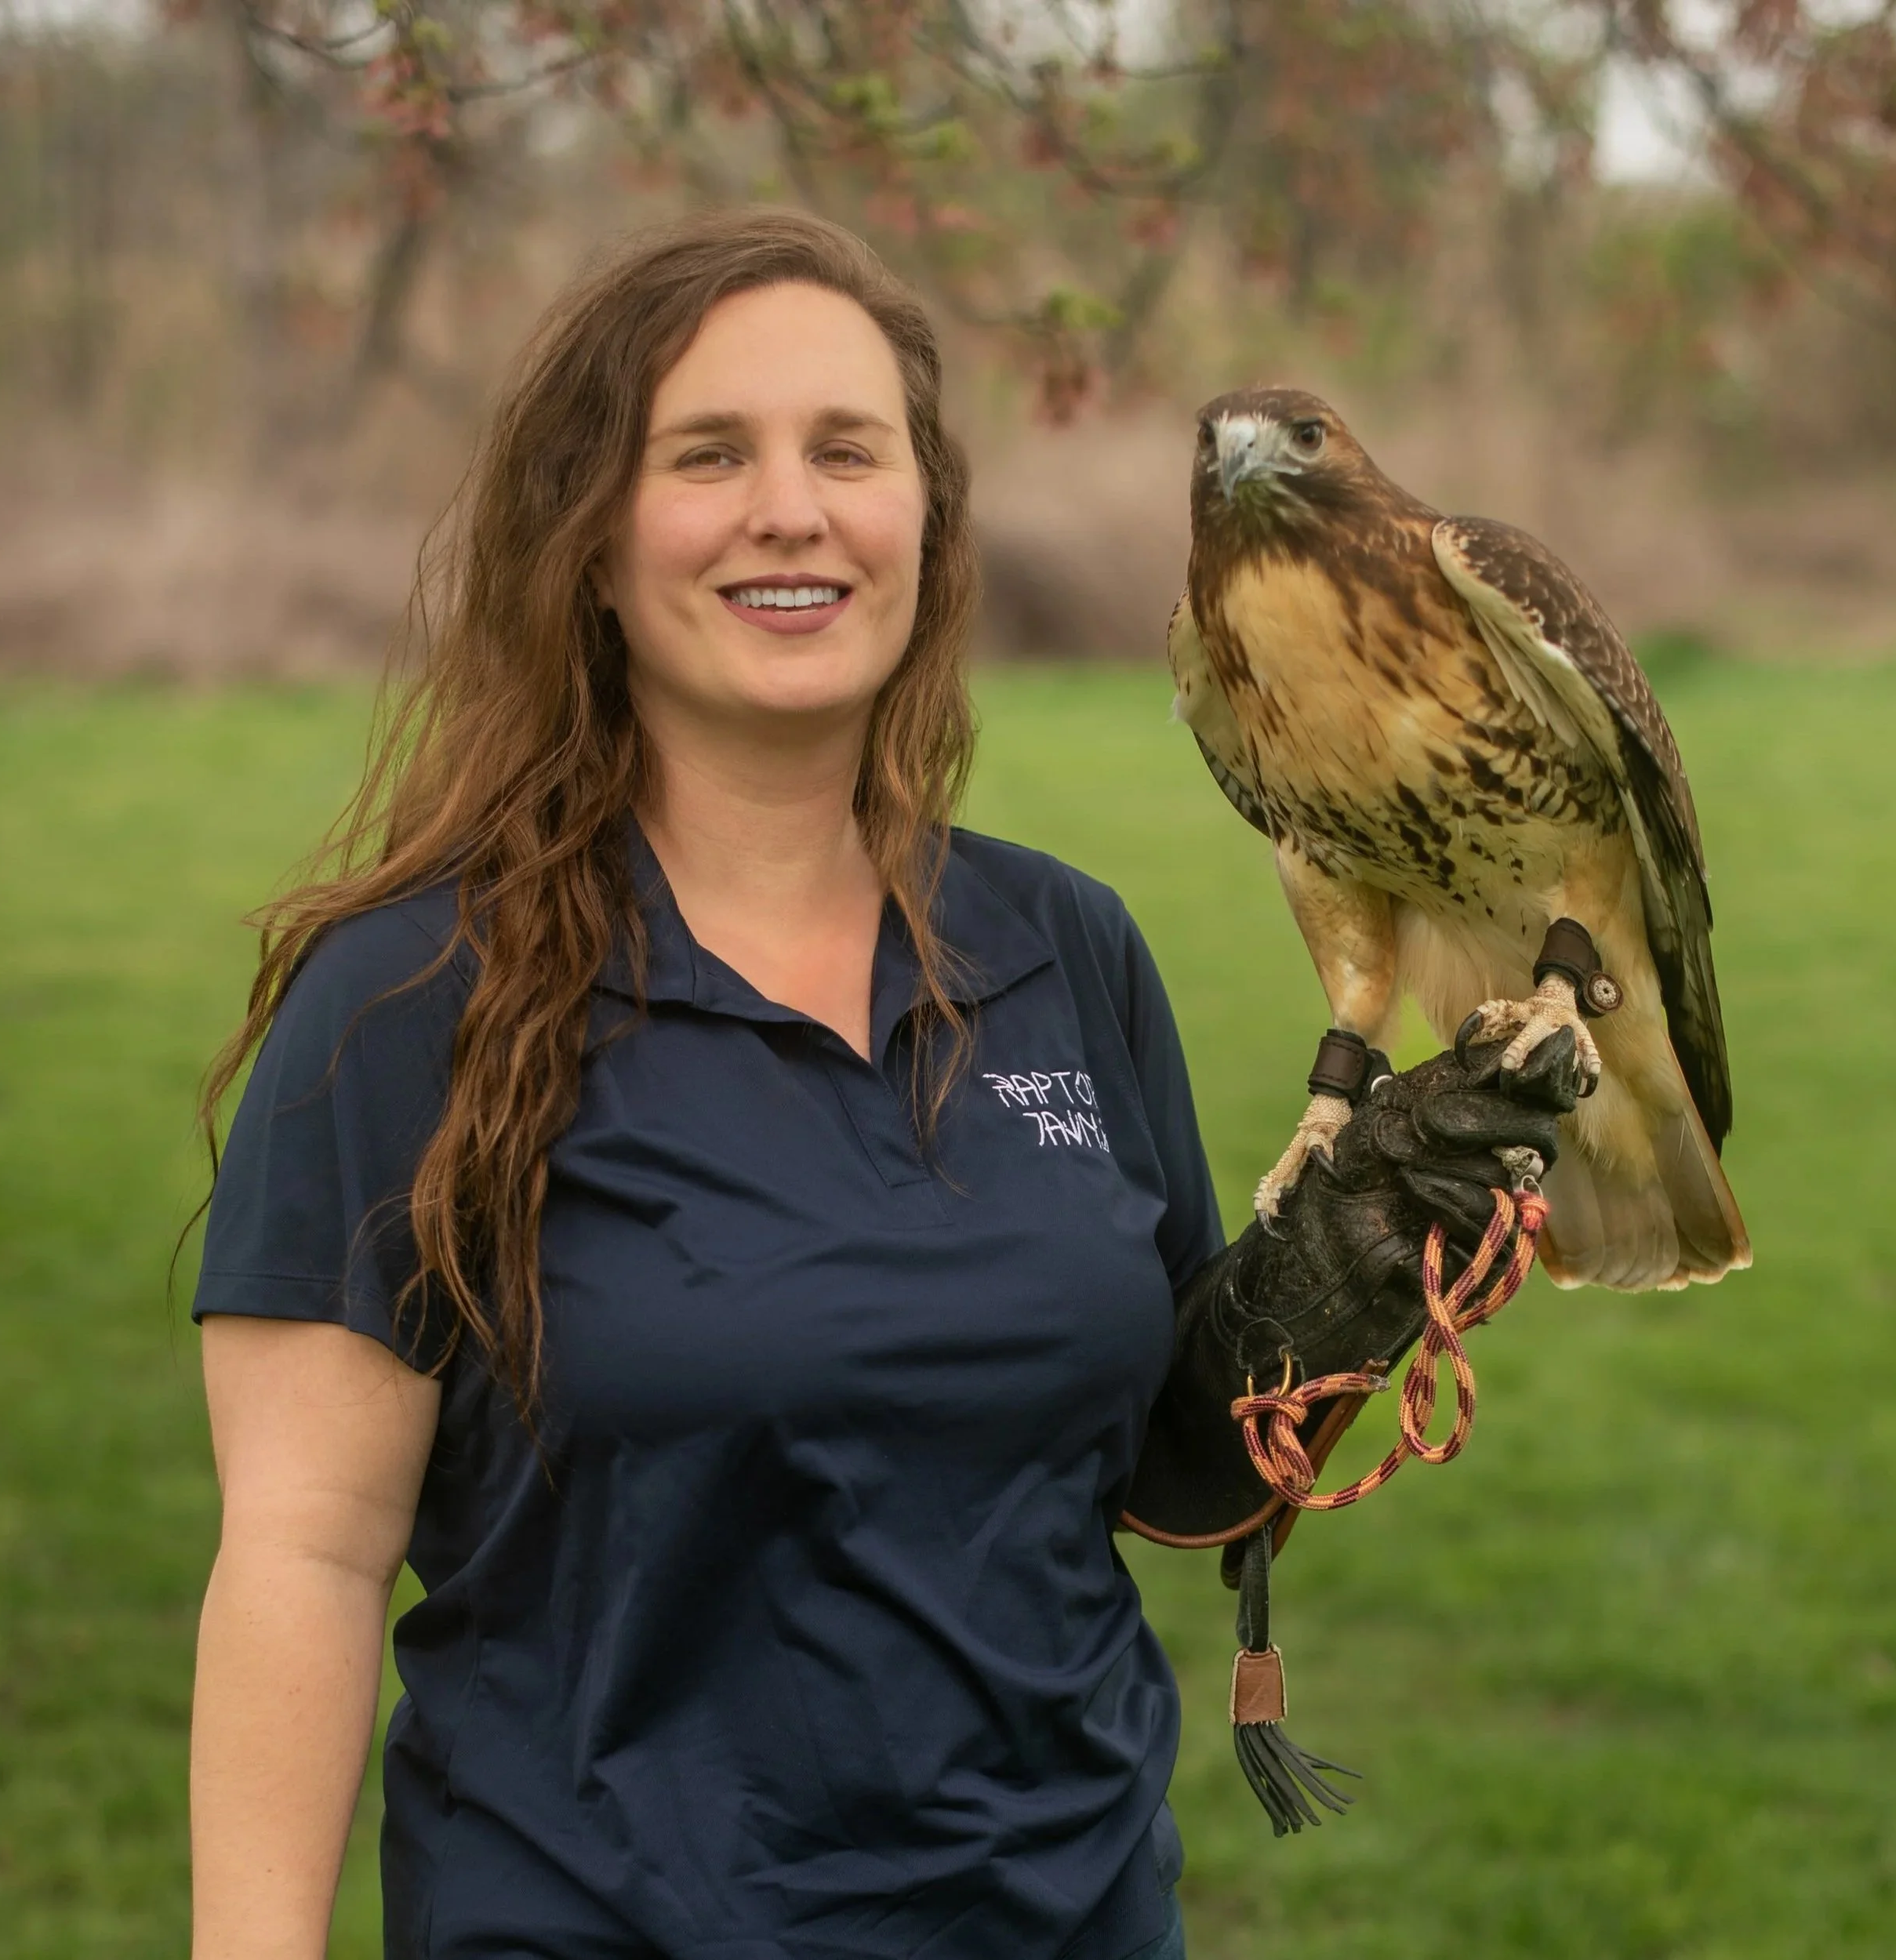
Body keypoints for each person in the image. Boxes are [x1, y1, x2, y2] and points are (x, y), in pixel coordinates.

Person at [187, 208, 1567, 1960]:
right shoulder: (407, 997)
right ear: (592, 539)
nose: (792, 507)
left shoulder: (1061, 942)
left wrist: (1350, 1282)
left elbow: (1161, 1473)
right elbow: (301, 1556)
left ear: (923, 520)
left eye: (849, 449)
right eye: (708, 454)